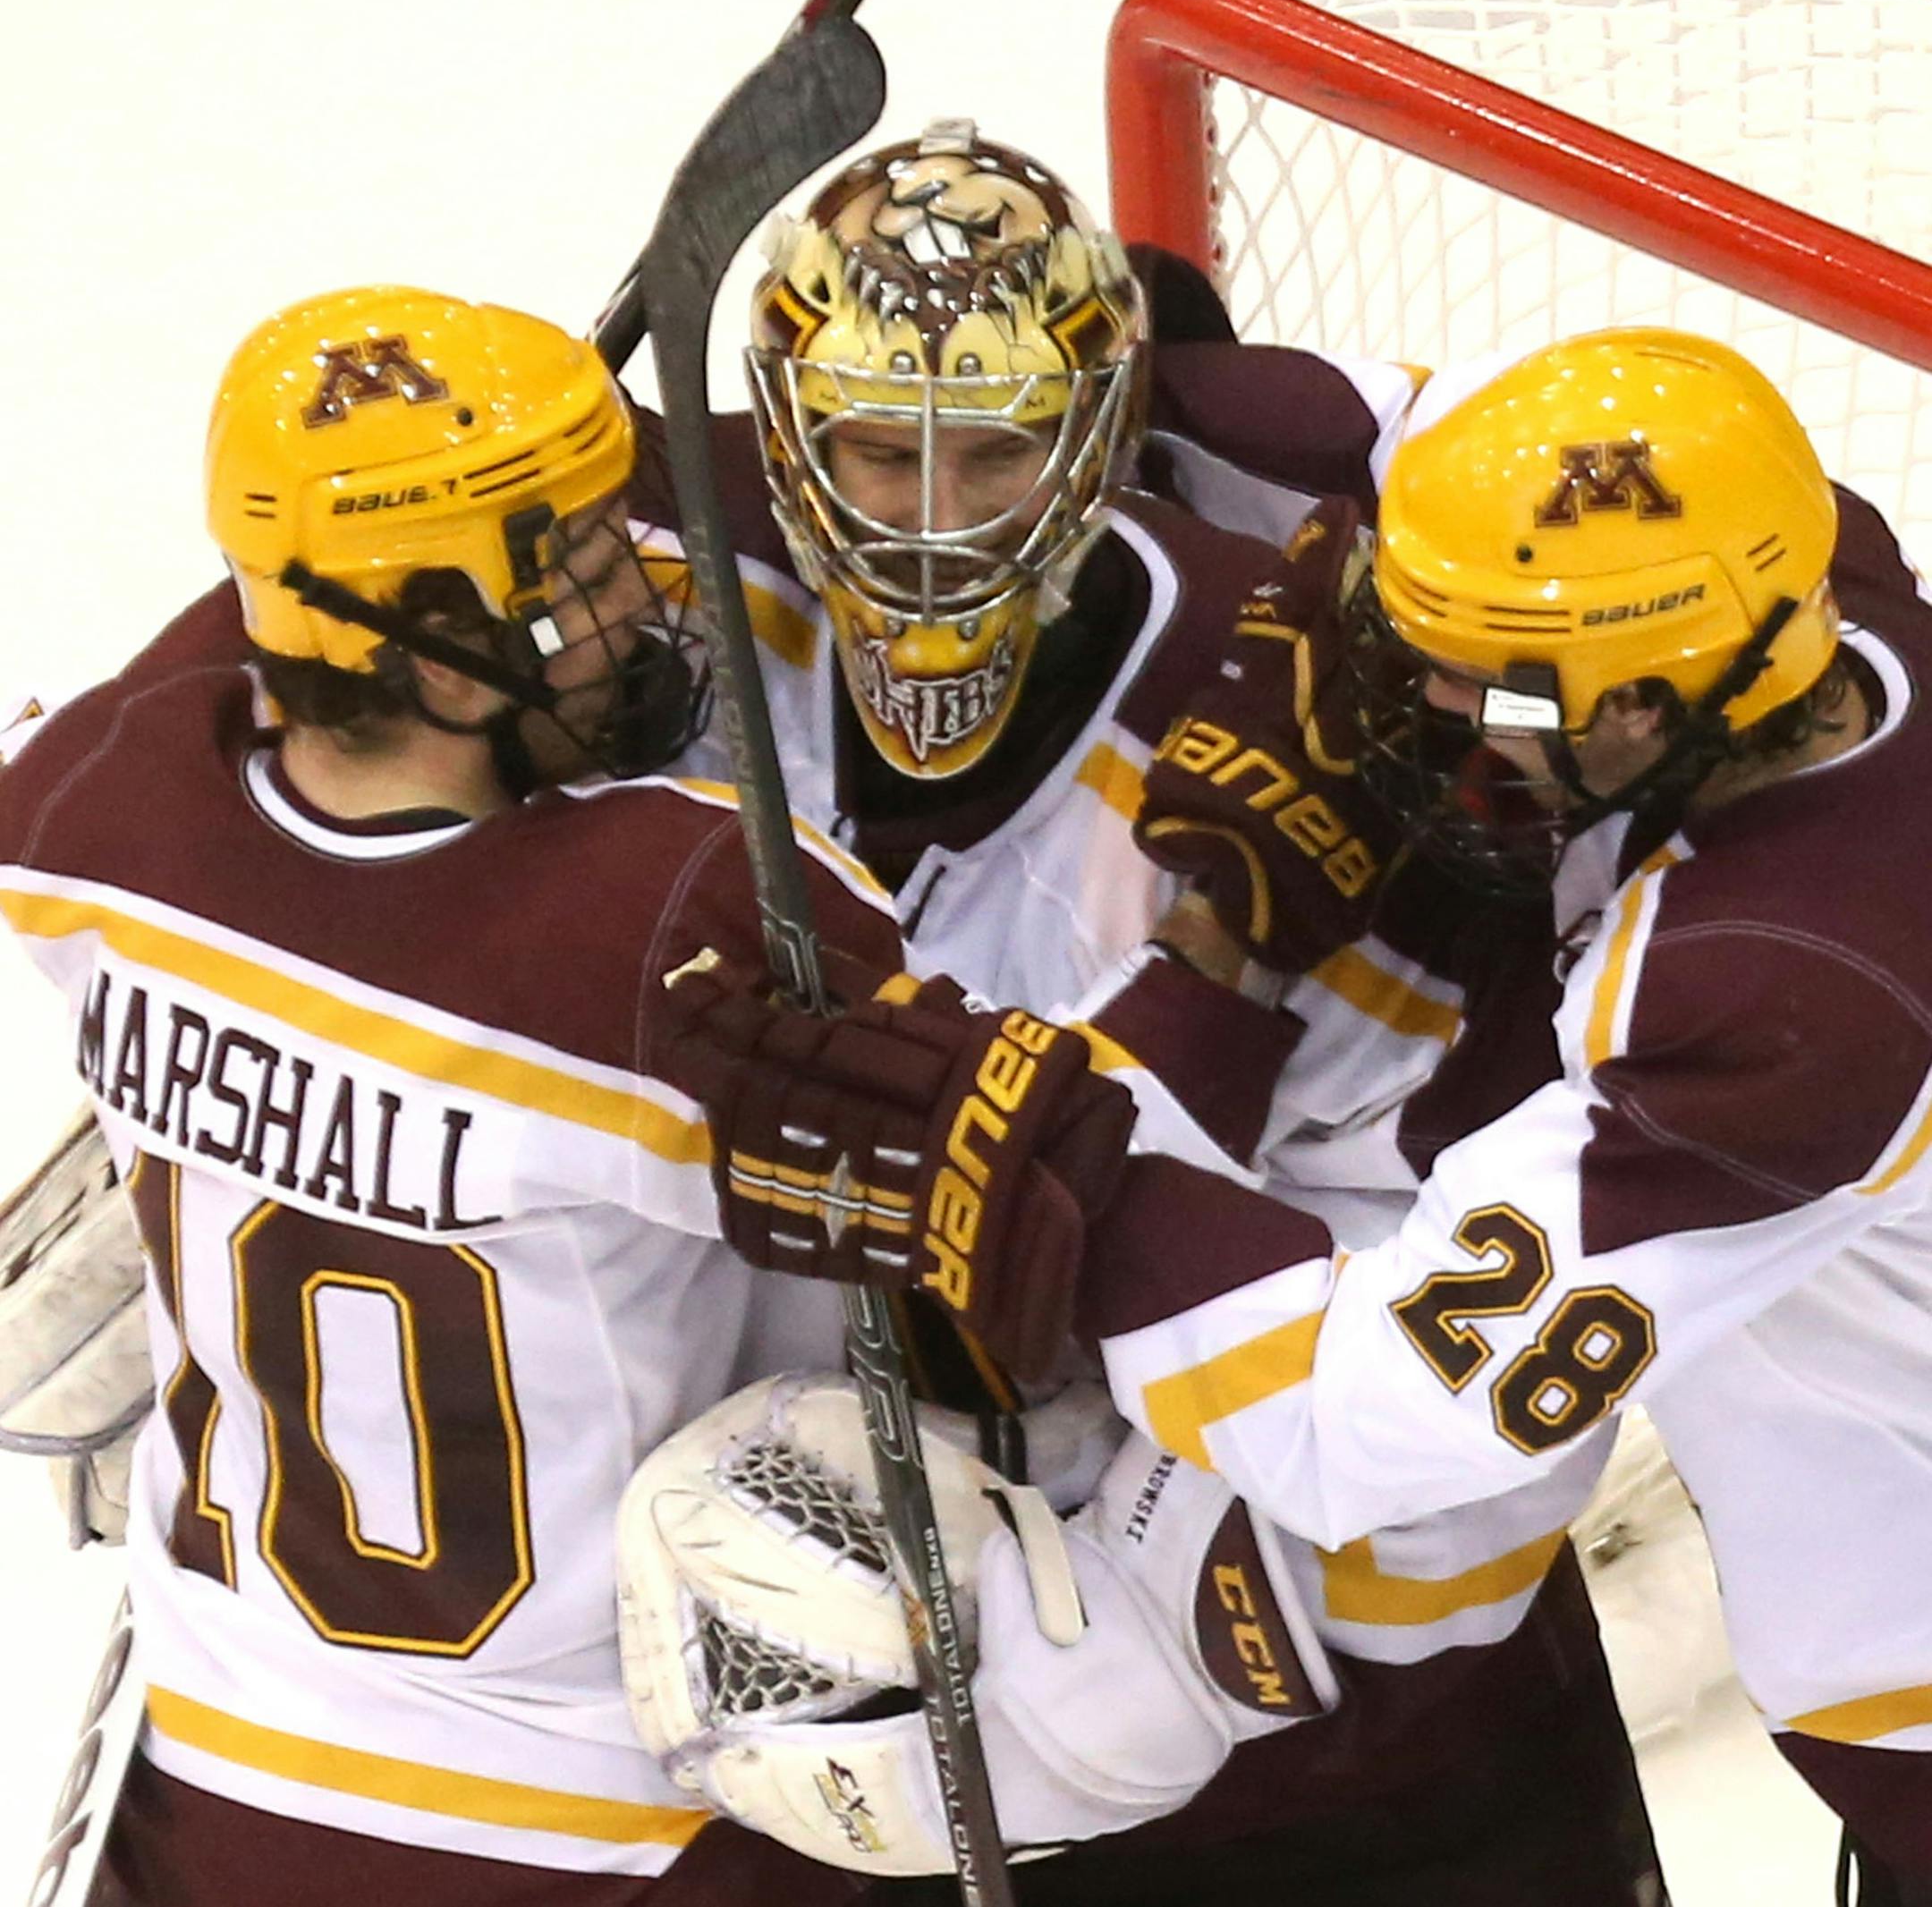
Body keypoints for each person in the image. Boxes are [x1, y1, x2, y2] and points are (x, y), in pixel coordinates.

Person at [676, 324, 1932, 1899]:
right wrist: (1110, 362)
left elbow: (1369, 1422)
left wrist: (1049, 1148)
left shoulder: (1782, 998)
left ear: (1645, 701)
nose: (1445, 716)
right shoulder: (1822, 597)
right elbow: (1405, 429)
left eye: (1498, 688)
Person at [631, 123, 1664, 1906]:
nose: (936, 526)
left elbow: (1463, 1389)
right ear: (791, 441)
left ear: (1103, 430)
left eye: (1000, 450)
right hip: (864, 1669)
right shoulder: (673, 650)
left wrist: (1137, 1662)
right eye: (882, 449)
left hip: (1348, 1748)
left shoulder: (1301, 726)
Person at [0, 283, 928, 1906]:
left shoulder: (89, 825)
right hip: (606, 1828)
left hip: (210, 1788)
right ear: (438, 648)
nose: (638, 598)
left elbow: (183, 685)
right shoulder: (679, 914)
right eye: (574, 568)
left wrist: (352, 565)